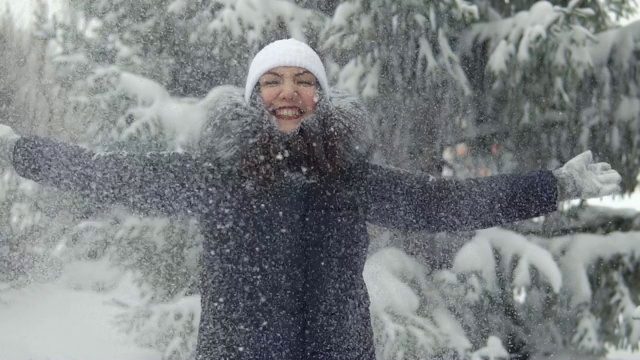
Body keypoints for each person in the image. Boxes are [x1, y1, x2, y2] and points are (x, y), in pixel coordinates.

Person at [0, 38, 621, 359]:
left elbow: (443, 205)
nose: (287, 93)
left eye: (303, 82)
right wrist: (17, 151)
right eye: (271, 83)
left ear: (322, 98)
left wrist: (555, 184)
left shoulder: (352, 182)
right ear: (252, 98)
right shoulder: (217, 178)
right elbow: (111, 174)